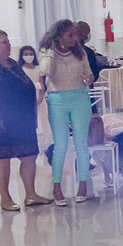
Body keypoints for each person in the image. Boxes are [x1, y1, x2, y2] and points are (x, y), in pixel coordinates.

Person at [0, 30, 51, 212]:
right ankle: (5, 198)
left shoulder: (12, 64)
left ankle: (31, 194)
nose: (8, 45)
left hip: (20, 119)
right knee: (2, 159)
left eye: (8, 41)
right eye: (3, 42)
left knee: (29, 156)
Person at [38, 19, 95, 206]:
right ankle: (57, 187)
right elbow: (45, 71)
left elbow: (89, 74)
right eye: (70, 35)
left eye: (75, 35)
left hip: (79, 98)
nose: (74, 38)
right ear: (59, 36)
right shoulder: (47, 52)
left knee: (81, 144)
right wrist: (52, 50)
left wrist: (88, 79)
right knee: (60, 145)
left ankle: (83, 184)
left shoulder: (81, 52)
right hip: (57, 101)